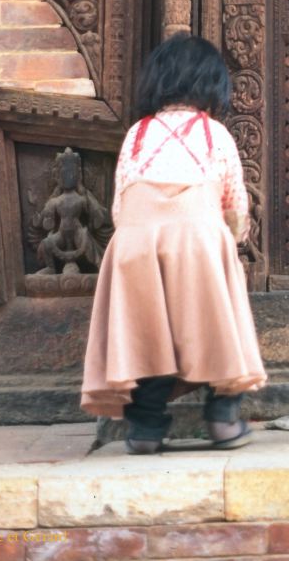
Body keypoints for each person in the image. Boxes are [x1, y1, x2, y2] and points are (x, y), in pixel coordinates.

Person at [81, 33, 266, 453]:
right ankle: (222, 419)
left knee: (146, 337)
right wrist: (231, 243)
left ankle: (145, 430)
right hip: (197, 238)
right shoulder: (214, 133)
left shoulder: (137, 135)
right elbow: (235, 203)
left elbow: (119, 205)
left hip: (135, 244)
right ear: (211, 84)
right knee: (221, 329)